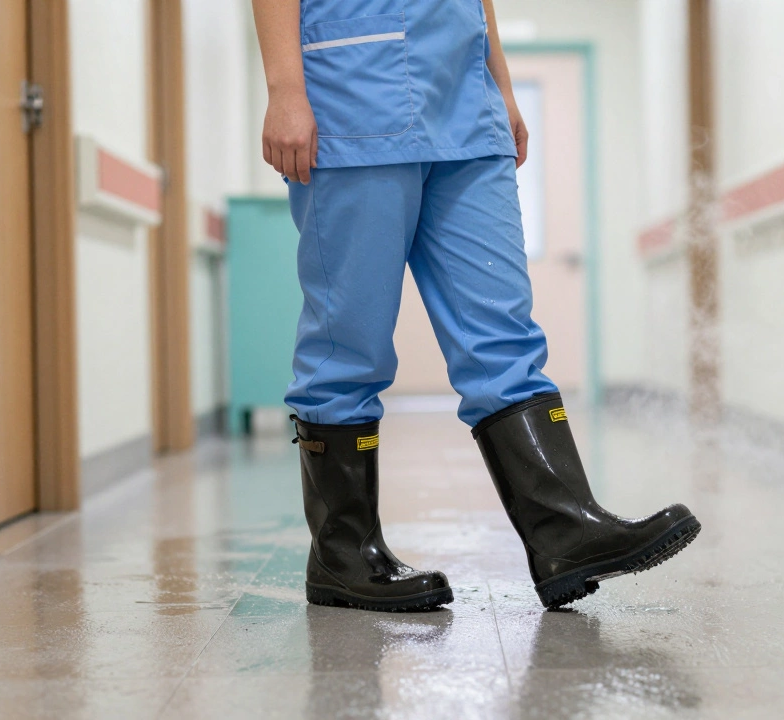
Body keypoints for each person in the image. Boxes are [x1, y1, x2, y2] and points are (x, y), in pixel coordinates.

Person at [251, 0, 700, 611]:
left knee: (503, 331)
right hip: (352, 97)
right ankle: (344, 553)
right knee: (347, 340)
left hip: (467, 103)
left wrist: (503, 85)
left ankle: (565, 530)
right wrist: (284, 88)